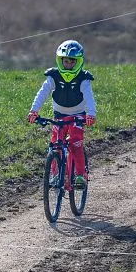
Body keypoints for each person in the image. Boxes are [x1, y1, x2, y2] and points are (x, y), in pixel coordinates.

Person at [27, 39, 96, 189]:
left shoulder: (84, 78)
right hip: (59, 115)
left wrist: (91, 114)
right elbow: (43, 92)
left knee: (76, 143)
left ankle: (79, 175)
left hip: (77, 115)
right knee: (55, 145)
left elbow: (89, 97)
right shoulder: (53, 76)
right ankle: (56, 174)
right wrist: (34, 110)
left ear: (78, 62)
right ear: (60, 61)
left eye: (72, 62)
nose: (68, 65)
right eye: (65, 61)